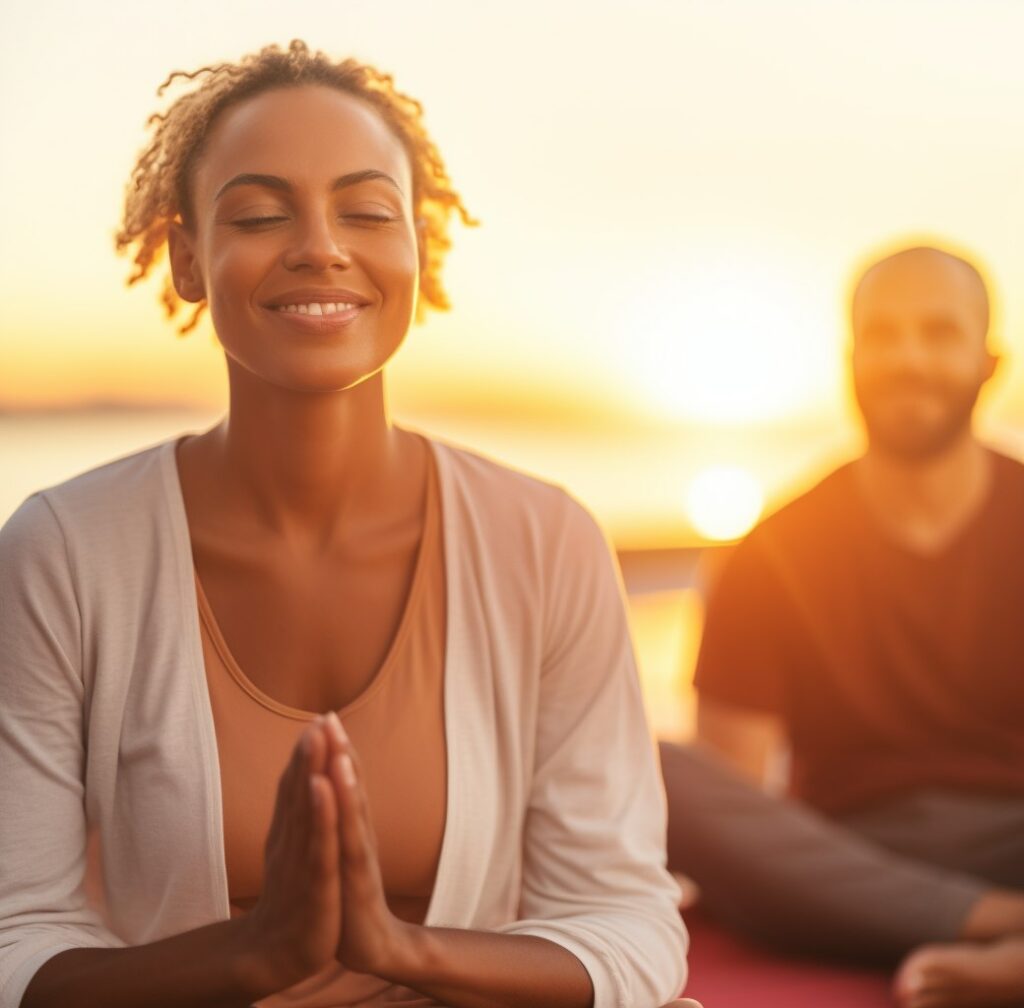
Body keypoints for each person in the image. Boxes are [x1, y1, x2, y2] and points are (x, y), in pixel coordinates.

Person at [0, 40, 697, 1008]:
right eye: (257, 213)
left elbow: (625, 922)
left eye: (366, 212)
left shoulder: (547, 542)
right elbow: (16, 942)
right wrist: (250, 961)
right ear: (189, 257)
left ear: (419, 247)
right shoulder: (65, 553)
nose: (320, 245)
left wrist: (403, 952)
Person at [659, 243, 1024, 1008]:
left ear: (991, 363)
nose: (908, 358)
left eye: (937, 332)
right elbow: (734, 799)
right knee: (654, 769)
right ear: (850, 358)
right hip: (855, 862)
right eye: (883, 335)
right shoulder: (773, 550)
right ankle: (1003, 930)